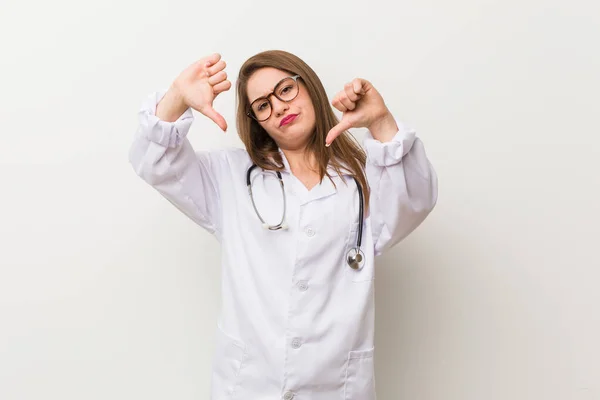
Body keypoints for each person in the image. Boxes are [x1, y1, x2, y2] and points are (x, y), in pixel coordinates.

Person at [129, 50, 438, 400]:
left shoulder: (362, 182)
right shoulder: (229, 177)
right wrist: (176, 96)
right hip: (249, 387)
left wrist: (381, 122)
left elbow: (415, 201)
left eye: (285, 90)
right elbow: (155, 163)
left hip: (335, 388)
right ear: (257, 120)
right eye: (261, 105)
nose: (277, 107)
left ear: (308, 87)